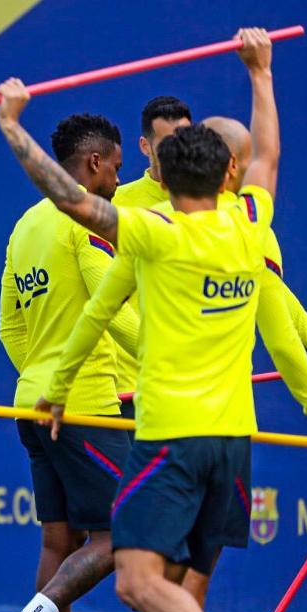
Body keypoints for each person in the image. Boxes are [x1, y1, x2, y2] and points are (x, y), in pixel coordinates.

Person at [0, 28, 307, 612]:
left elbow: (73, 199)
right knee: (179, 586)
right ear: (230, 177)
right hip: (233, 444)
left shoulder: (152, 235)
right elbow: (269, 154)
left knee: (138, 582)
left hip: (169, 438)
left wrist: (15, 127)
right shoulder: (250, 225)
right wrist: (260, 73)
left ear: (162, 180)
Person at [132, 114, 307, 612]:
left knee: (171, 579)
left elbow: (280, 318)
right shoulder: (209, 220)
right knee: (170, 579)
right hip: (189, 423)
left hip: (200, 430)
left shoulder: (244, 226)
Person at [0, 113, 136, 612]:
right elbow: (110, 305)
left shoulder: (23, 227)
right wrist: (164, 353)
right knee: (121, 536)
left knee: (60, 539)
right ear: (93, 165)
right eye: (118, 168)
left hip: (32, 402)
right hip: (85, 403)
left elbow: (8, 326)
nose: (119, 180)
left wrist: (42, 374)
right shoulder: (81, 214)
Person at [111, 97, 192, 415]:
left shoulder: (215, 203)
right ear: (145, 146)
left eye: (184, 140)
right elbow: (102, 302)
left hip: (199, 384)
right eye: (167, 143)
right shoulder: (113, 204)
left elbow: (265, 284)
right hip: (135, 387)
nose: (178, 151)